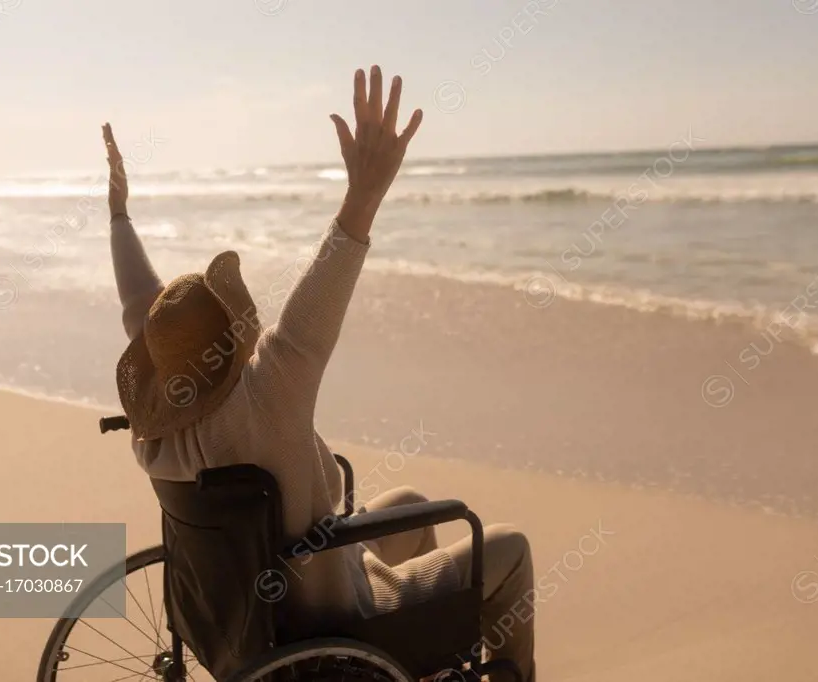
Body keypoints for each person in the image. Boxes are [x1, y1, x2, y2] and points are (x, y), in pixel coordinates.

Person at [105, 65, 535, 682]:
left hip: (246, 615)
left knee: (412, 505)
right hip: (328, 618)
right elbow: (320, 298)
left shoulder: (152, 430)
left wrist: (119, 216)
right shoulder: (267, 395)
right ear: (231, 340)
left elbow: (139, 307)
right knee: (510, 546)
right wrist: (366, 191)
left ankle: (429, 669)